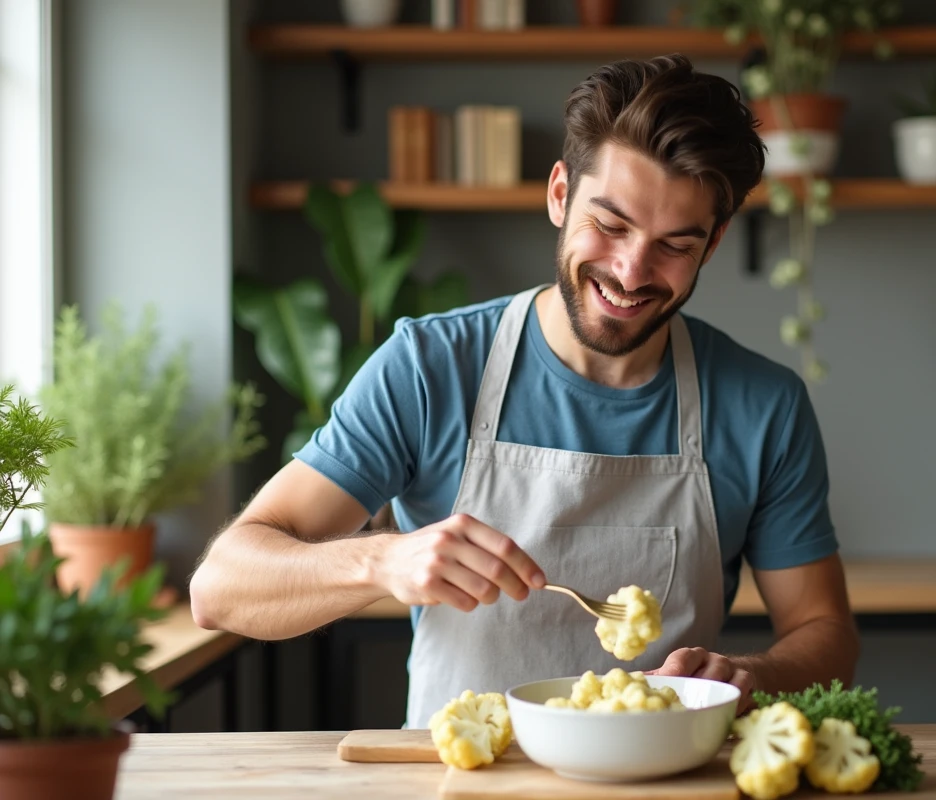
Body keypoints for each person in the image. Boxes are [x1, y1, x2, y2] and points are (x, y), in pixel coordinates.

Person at [190, 53, 859, 729]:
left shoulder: (762, 407)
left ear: (711, 245)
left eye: (674, 245)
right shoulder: (429, 368)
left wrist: (753, 674)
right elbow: (220, 590)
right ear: (560, 194)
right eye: (611, 224)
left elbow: (824, 631)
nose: (630, 271)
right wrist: (383, 560)